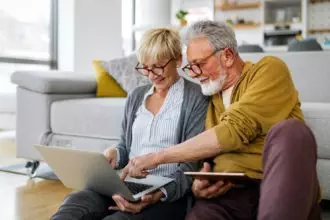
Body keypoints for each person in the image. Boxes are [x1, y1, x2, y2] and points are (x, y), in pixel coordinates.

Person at [122, 21, 321, 220]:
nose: (195, 74)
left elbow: (235, 129)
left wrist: (157, 157)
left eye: (199, 65)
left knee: (292, 131)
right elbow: (201, 157)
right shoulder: (208, 97)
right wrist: (197, 187)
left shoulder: (269, 69)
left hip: (276, 184)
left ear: (227, 56)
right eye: (191, 67)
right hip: (228, 194)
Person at [51, 28, 208, 220]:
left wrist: (158, 194)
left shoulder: (196, 98)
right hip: (125, 184)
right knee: (75, 204)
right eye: (145, 67)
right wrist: (114, 154)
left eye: (158, 66)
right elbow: (125, 146)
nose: (151, 75)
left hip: (167, 194)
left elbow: (190, 164)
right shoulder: (136, 96)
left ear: (177, 59)